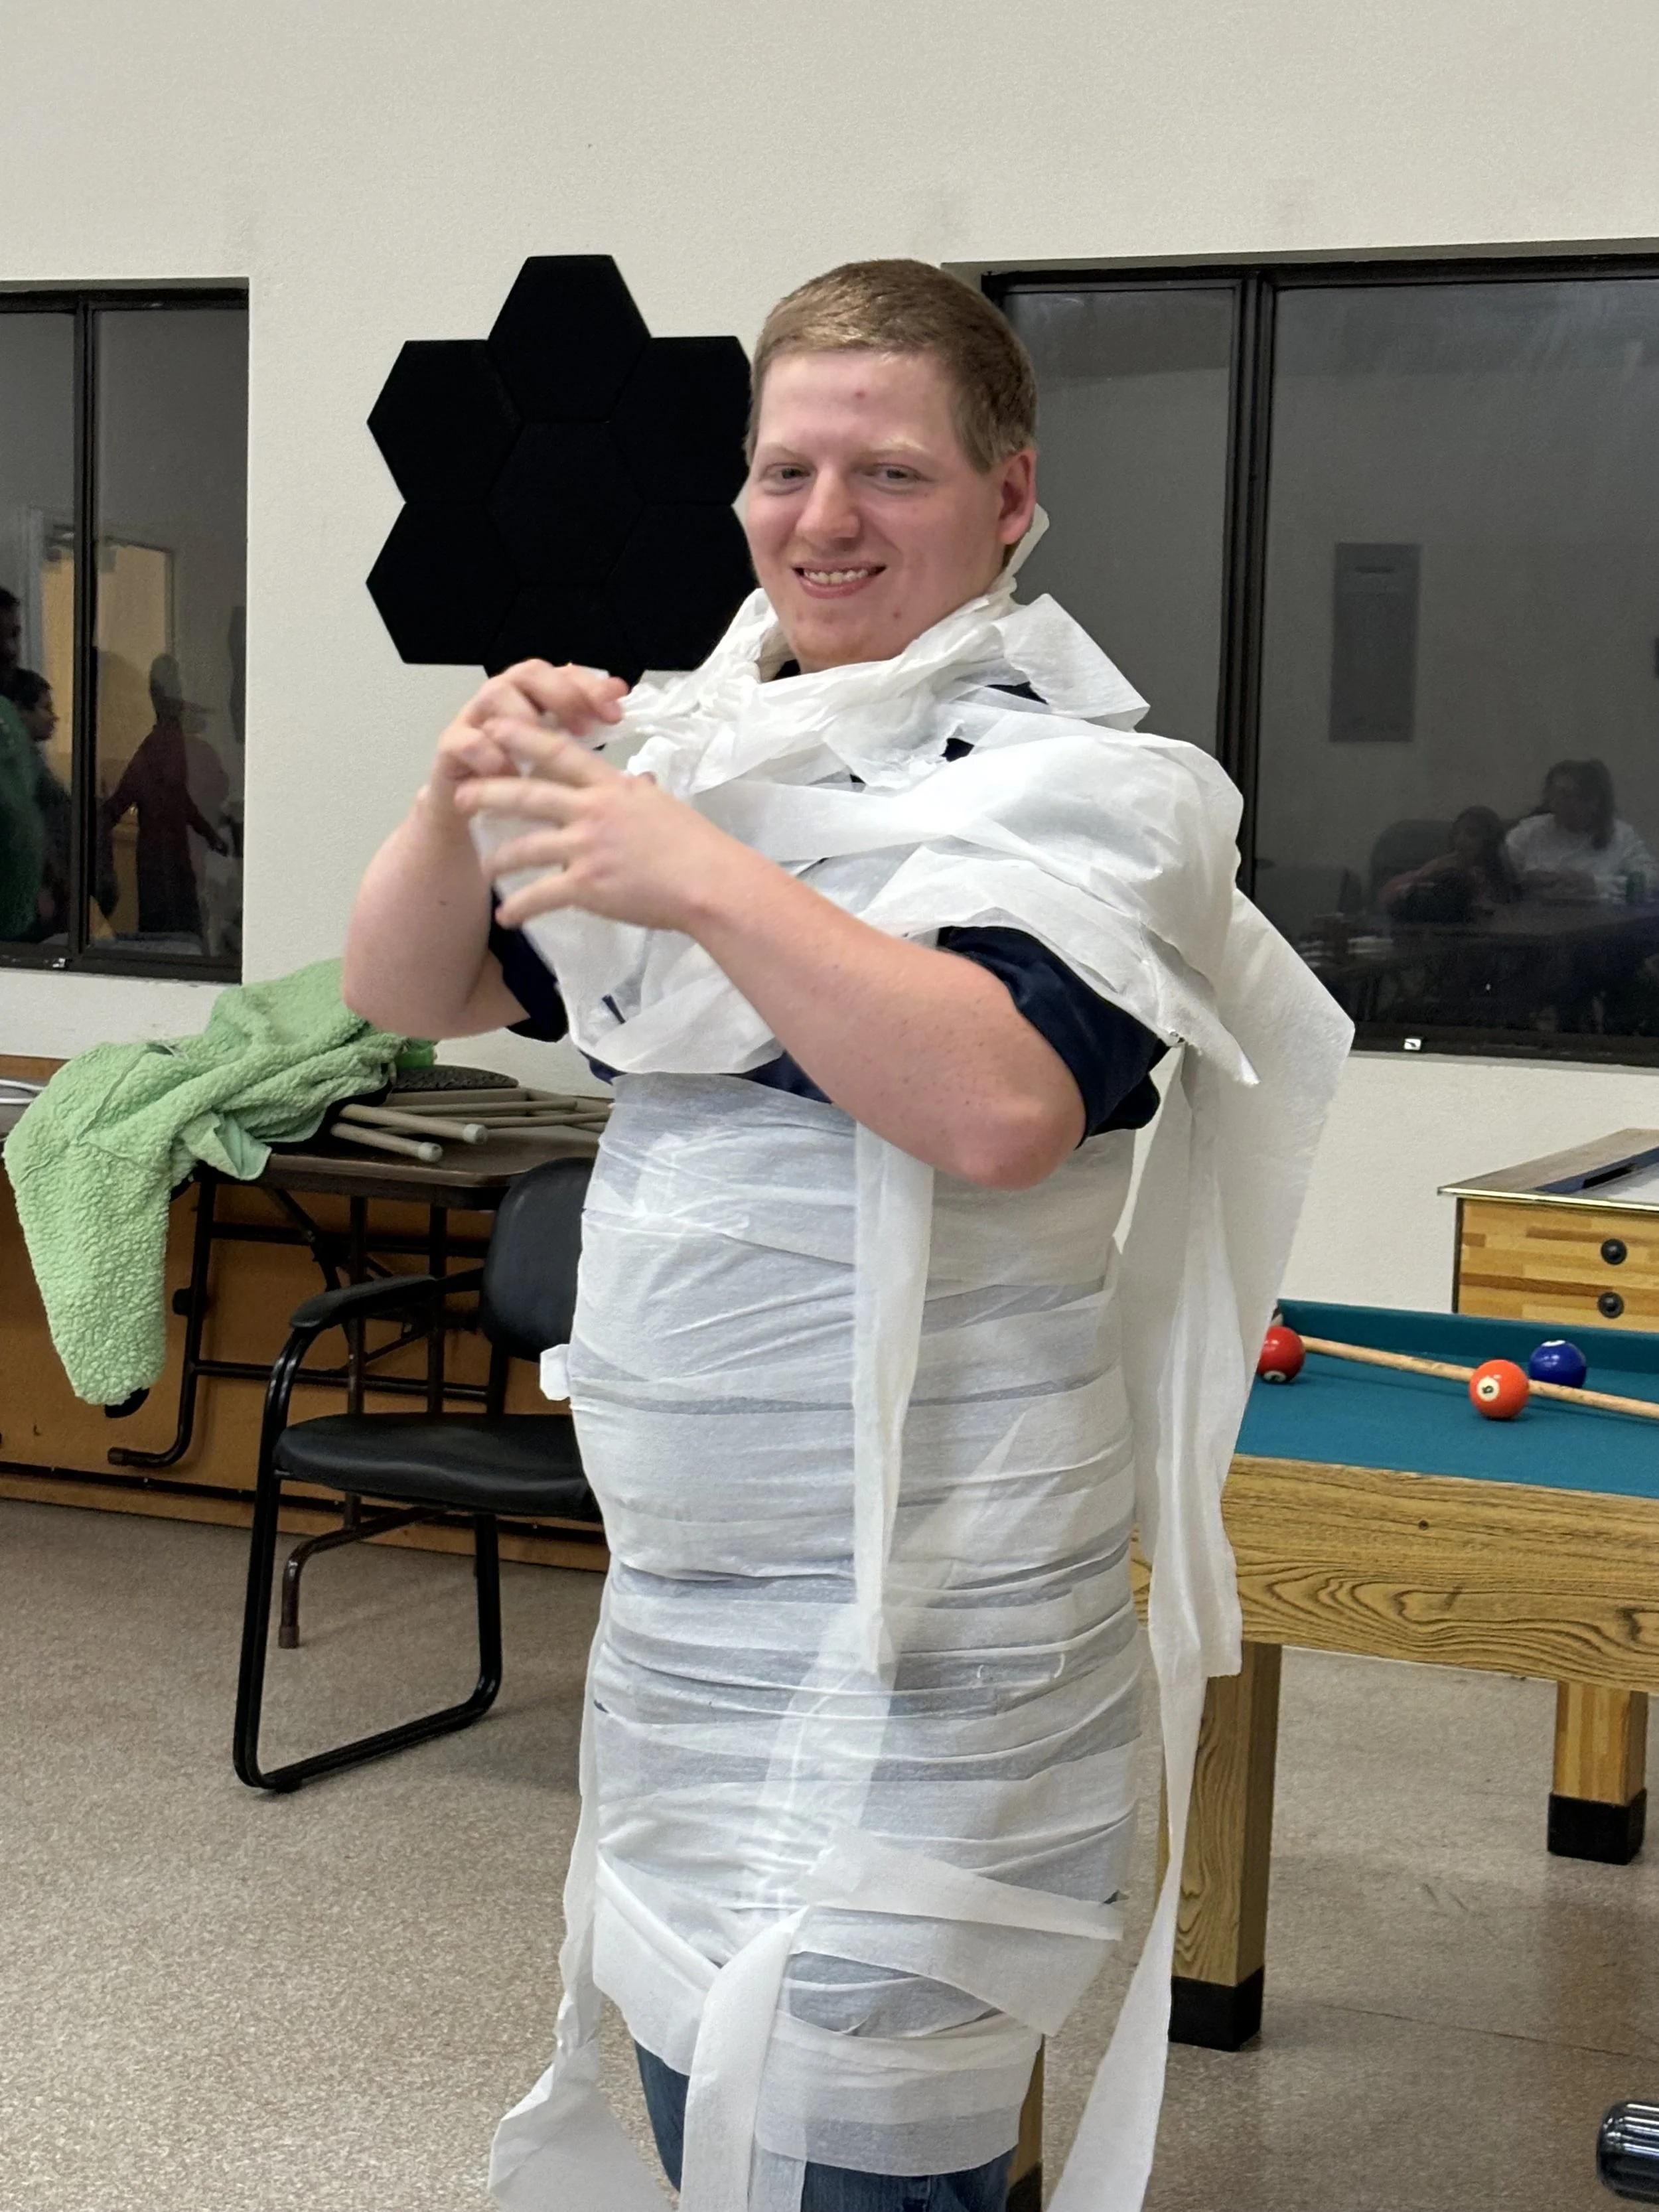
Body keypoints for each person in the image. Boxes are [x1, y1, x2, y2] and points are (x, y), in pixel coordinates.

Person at [345, 259, 1350, 2212]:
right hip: (673, 1653)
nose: (821, 521)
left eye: (885, 472)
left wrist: (701, 879)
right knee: (679, 2089)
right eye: (784, 469)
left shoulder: (1101, 798)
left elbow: (992, 1104)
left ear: (1008, 494)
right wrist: (450, 794)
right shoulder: (709, 769)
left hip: (939, 1662)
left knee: (861, 2143)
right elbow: (427, 989)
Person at [102, 654, 228, 939]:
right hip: (160, 859)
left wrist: (210, 835)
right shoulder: (160, 746)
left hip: (172, 856)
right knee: (170, 933)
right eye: (177, 688)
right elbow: (122, 802)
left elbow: (179, 798)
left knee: (177, 930)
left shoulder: (167, 745)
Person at [1504, 759, 1659, 904]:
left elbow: (1651, 880)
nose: (1558, 802)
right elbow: (1499, 869)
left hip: (1605, 925)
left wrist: (1594, 883)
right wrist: (1527, 881)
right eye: (1553, 794)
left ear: (1593, 801)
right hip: (1537, 922)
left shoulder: (1622, 837)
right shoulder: (1529, 833)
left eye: (1567, 795)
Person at [0, 589, 47, 940]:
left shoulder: (8, 717)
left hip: (21, 925)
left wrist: (54, 881)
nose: (9, 651)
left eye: (14, 635)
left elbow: (29, 808)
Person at [1380, 804, 1516, 922]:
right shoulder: (1443, 871)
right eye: (1456, 833)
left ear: (1489, 840)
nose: (1460, 840)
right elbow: (1385, 899)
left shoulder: (1503, 877)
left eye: (1472, 834)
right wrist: (1425, 872)